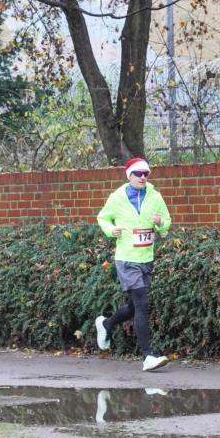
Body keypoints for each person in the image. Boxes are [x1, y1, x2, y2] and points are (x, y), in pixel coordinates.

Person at [94, 158, 171, 372]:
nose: (143, 177)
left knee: (133, 306)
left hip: (147, 258)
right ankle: (148, 356)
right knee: (142, 304)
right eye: (138, 174)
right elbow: (103, 218)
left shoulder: (155, 196)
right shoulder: (117, 197)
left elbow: (167, 222)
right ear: (129, 175)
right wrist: (111, 230)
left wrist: (160, 223)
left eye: (146, 173)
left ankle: (107, 324)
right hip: (127, 259)